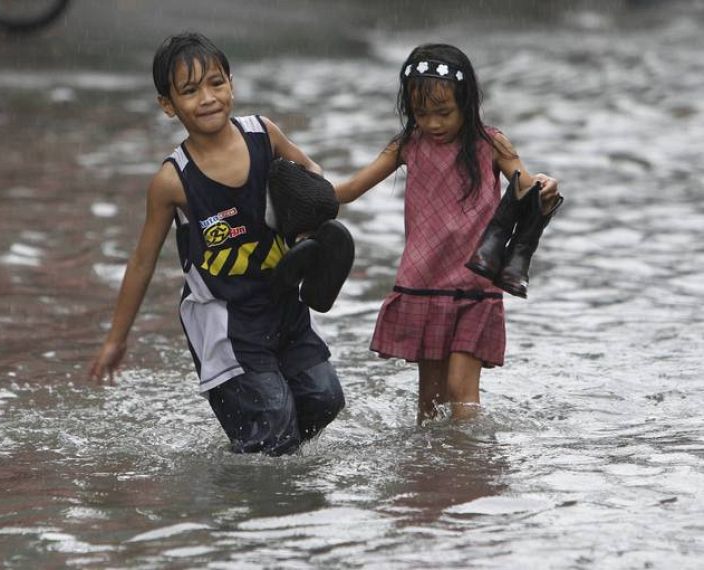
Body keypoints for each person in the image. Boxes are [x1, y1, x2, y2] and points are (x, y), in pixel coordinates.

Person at [88, 32, 345, 455]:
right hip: (228, 322)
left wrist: (307, 211)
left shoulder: (264, 134)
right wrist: (117, 338)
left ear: (231, 83)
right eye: (190, 90)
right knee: (274, 418)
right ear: (167, 105)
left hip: (284, 305)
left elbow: (312, 174)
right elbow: (141, 262)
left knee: (324, 397)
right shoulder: (172, 180)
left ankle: (258, 450)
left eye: (216, 83)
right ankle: (251, 471)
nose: (207, 98)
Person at [334, 43, 562, 423]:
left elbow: (524, 186)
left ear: (467, 103)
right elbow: (350, 190)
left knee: (460, 388)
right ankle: (433, 473)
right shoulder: (408, 145)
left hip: (475, 284)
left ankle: (469, 465)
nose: (433, 124)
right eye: (422, 114)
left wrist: (545, 186)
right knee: (430, 400)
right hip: (424, 282)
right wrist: (294, 181)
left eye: (444, 112)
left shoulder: (490, 144)